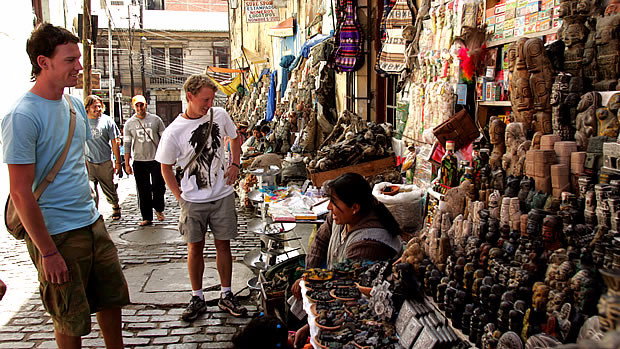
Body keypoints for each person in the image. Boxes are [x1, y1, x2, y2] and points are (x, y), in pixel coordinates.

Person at [1, 23, 129, 348]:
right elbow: (20, 191)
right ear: (43, 62)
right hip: (56, 233)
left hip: (91, 222)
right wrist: (47, 251)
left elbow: (77, 163)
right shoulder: (22, 116)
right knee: (69, 316)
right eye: (71, 60)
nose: (80, 67)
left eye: (78, 59)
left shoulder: (73, 107)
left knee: (112, 300)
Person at [155, 74, 247, 320]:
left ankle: (226, 294)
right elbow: (165, 166)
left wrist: (235, 164)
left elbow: (235, 137)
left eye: (212, 99)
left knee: (223, 244)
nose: (209, 104)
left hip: (222, 195)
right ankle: (197, 297)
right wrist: (179, 197)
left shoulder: (220, 115)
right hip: (193, 200)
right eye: (205, 100)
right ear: (190, 97)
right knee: (194, 247)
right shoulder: (174, 131)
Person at [290, 172, 403, 348]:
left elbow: (351, 294)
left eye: (334, 202)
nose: (328, 207)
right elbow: (319, 242)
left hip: (364, 308)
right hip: (340, 288)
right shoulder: (340, 218)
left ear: (355, 208)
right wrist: (307, 275)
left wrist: (312, 325)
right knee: (295, 289)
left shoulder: (369, 243)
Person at [123, 94, 166, 226]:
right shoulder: (129, 124)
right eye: (137, 105)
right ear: (133, 106)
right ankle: (147, 216)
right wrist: (126, 163)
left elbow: (164, 139)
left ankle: (159, 208)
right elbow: (127, 144)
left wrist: (167, 157)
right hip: (139, 160)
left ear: (146, 105)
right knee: (143, 189)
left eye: (142, 105)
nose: (140, 107)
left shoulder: (156, 120)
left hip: (156, 159)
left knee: (159, 186)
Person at [84, 95, 122, 219]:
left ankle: (115, 205)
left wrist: (117, 162)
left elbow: (115, 141)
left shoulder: (107, 121)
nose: (97, 109)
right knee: (91, 191)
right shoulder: (82, 121)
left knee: (109, 188)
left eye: (99, 106)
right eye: (94, 106)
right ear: (88, 107)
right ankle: (94, 214)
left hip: (105, 161)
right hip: (89, 161)